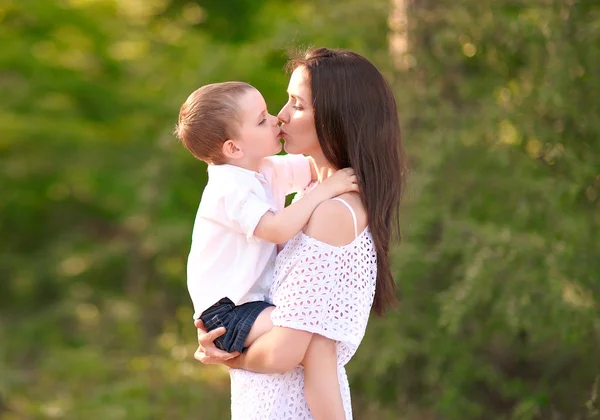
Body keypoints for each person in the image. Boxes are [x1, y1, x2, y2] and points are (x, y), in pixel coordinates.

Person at [194, 47, 407, 420]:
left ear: (336, 118)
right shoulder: (309, 194)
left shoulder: (331, 211)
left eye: (297, 104)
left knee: (318, 350)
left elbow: (286, 352)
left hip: (288, 408)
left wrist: (229, 357)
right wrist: (227, 331)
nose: (280, 116)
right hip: (265, 401)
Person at [174, 81, 359, 419]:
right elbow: (275, 228)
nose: (276, 119)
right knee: (315, 338)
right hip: (226, 313)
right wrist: (327, 190)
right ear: (233, 148)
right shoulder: (228, 187)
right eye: (261, 120)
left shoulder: (263, 168)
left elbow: (316, 168)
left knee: (318, 337)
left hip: (251, 305)